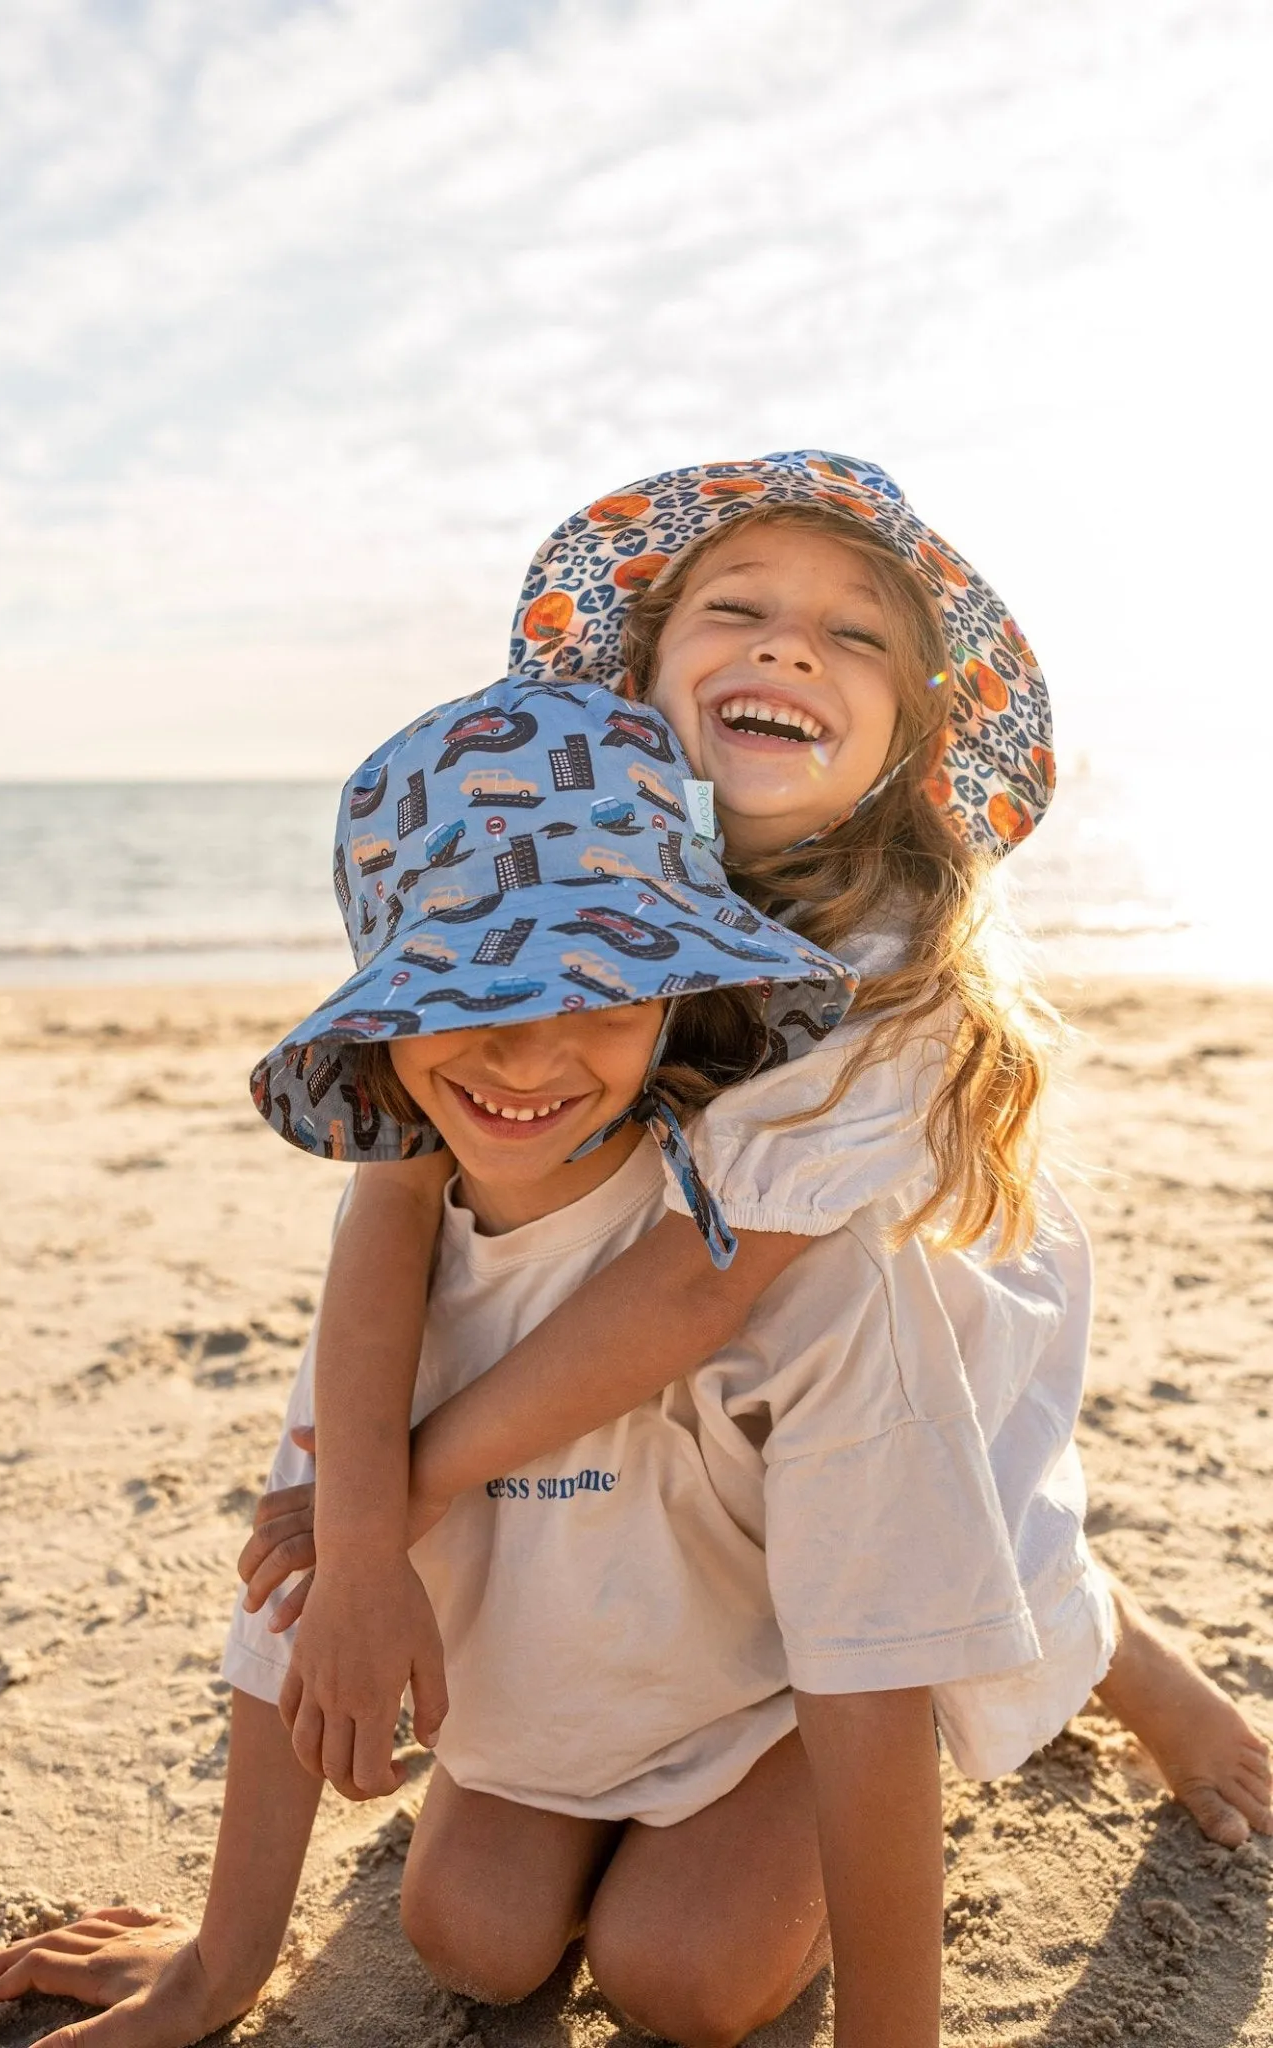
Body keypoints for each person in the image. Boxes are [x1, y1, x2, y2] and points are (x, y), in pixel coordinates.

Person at [242, 451, 1272, 1860]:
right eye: (737, 609)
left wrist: (390, 1499)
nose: (791, 643)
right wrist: (360, 1536)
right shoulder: (561, 866)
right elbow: (400, 1185)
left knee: (982, 1554)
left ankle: (1132, 1667)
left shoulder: (896, 977)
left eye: (855, 634)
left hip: (864, 1308)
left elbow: (694, 1293)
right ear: (645, 671)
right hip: (640, 1299)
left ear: (909, 736)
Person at [0, 680, 1018, 2048]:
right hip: (559, 1732)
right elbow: (285, 1614)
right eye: (468, 991)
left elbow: (871, 1658)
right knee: (470, 1936)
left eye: (603, 987)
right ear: (387, 1016)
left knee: (681, 1978)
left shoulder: (791, 1266)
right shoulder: (391, 1285)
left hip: (764, 1719)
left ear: (682, 992)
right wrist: (219, 1964)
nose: (530, 1053)